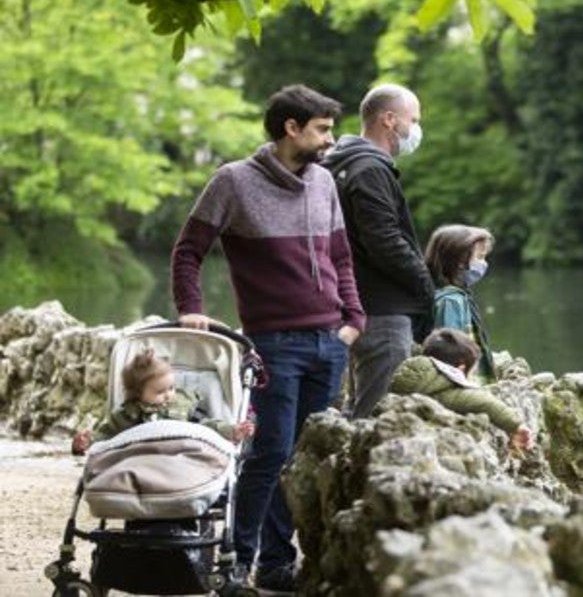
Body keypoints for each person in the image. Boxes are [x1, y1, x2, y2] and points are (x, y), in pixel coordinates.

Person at [170, 84, 365, 592]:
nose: (330, 138)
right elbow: (188, 251)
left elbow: (341, 257)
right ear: (291, 128)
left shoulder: (324, 182)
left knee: (306, 458)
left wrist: (353, 320)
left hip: (330, 341)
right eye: (322, 128)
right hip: (273, 342)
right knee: (271, 453)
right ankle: (238, 558)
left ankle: (276, 566)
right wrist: (191, 310)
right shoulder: (232, 182)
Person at [322, 83, 435, 419]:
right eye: (412, 120)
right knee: (375, 419)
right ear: (389, 119)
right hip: (382, 311)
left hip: (350, 304)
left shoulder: (339, 164)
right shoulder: (369, 169)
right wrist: (425, 283)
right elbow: (384, 241)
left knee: (353, 412)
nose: (416, 129)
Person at [71, 349, 255, 455]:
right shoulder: (127, 415)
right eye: (160, 392)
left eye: (171, 388)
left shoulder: (184, 406)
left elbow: (208, 426)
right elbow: (106, 435)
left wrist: (232, 430)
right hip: (141, 461)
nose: (168, 395)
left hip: (181, 458)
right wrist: (87, 442)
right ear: (137, 393)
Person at [392, 328, 532, 450]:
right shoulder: (443, 391)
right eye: (470, 373)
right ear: (461, 369)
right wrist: (517, 426)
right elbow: (485, 402)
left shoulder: (401, 374)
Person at [425, 224, 497, 382]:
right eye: (479, 257)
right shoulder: (450, 301)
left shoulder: (460, 296)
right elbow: (449, 351)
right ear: (458, 260)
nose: (483, 264)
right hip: (460, 380)